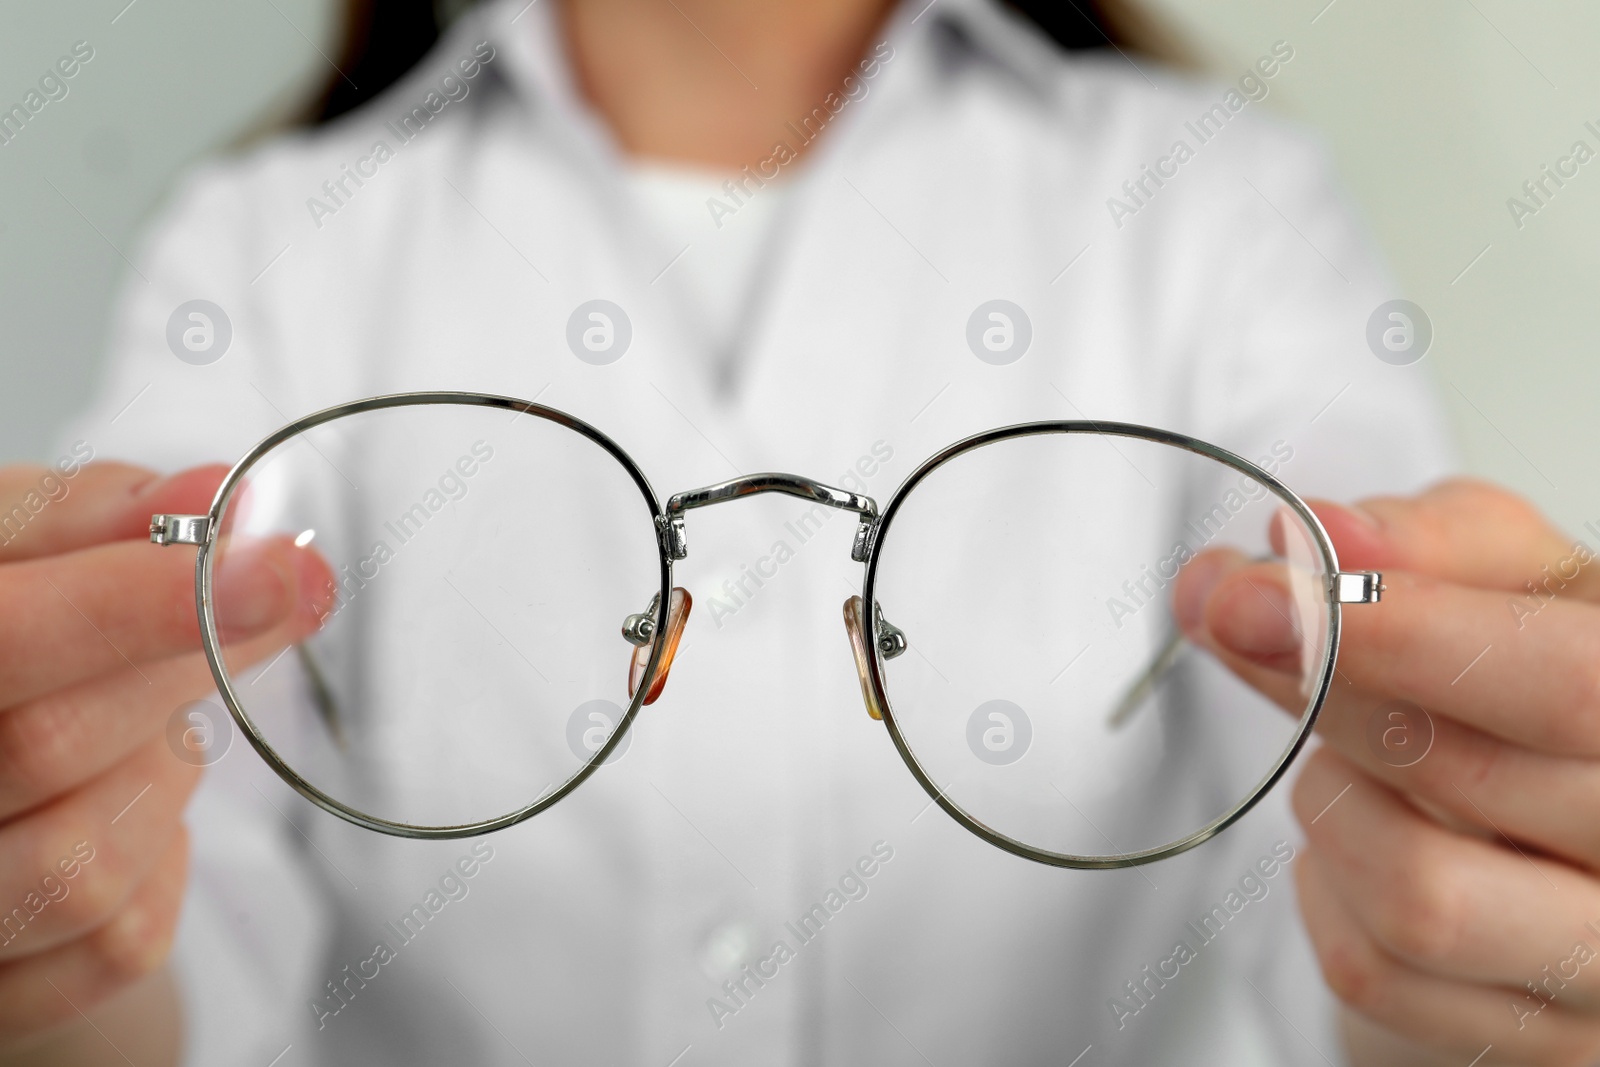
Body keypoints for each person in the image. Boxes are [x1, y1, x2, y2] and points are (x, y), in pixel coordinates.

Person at [2, 0, 1597, 1063]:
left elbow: (1338, 863)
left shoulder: (1215, 203)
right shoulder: (268, 245)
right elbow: (161, 906)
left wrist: (1478, 898)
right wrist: (59, 939)